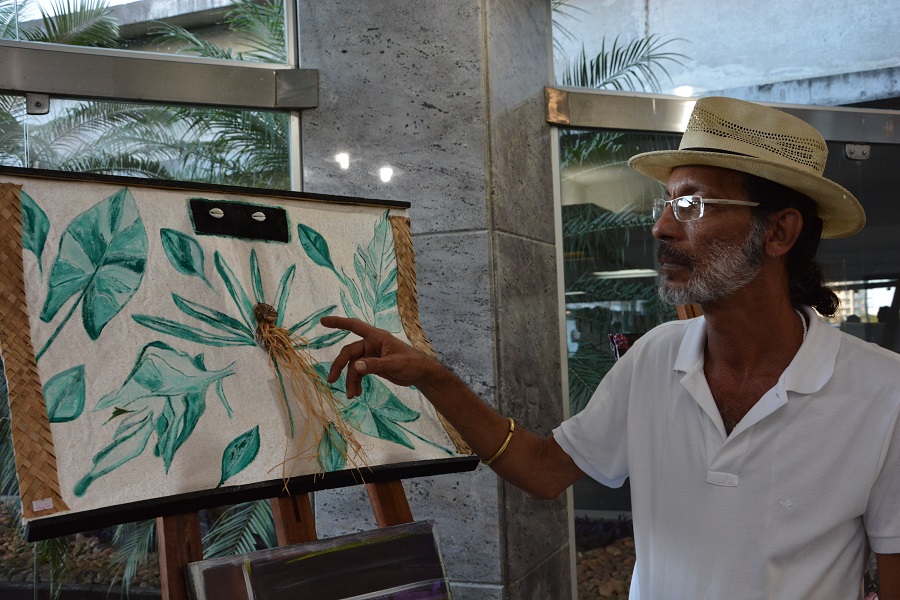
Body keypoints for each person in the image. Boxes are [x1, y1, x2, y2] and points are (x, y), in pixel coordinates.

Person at [321, 97, 900, 599]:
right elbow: (543, 470)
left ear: (779, 232)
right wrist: (432, 376)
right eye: (665, 203)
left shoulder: (882, 393)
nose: (662, 227)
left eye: (692, 205)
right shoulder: (654, 359)